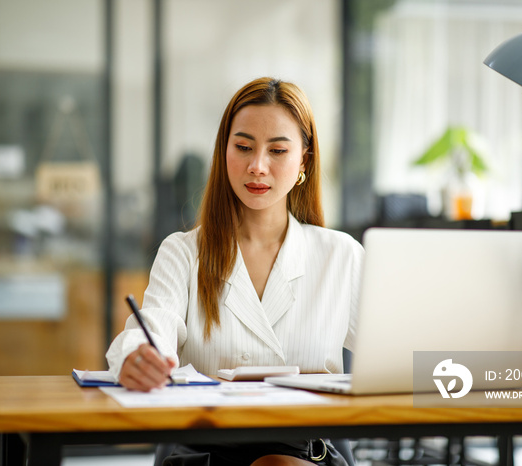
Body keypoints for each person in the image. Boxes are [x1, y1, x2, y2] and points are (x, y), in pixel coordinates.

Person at [106, 77, 364, 466]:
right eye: (243, 147)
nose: (257, 166)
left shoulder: (339, 255)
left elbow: (396, 355)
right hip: (204, 449)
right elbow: (153, 327)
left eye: (277, 150)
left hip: (305, 448)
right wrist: (139, 356)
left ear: (304, 163)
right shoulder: (183, 252)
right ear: (223, 152)